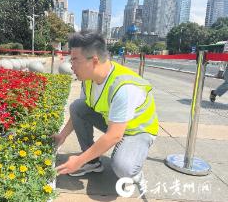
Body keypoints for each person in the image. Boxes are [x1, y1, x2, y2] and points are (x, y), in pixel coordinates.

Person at [54, 31, 158, 184]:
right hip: (113, 123)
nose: (71, 65)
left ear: (94, 61)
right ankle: (92, 162)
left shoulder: (124, 87)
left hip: (137, 130)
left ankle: (133, 166)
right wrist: (62, 136)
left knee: (123, 168)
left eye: (75, 60)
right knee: (78, 107)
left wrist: (78, 161)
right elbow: (79, 113)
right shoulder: (88, 79)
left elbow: (114, 135)